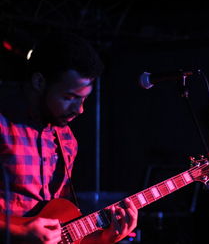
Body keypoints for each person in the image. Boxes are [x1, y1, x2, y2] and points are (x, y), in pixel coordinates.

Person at [0, 32, 138, 243]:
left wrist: (104, 237)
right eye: (69, 97)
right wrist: (16, 231)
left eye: (83, 99)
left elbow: (63, 231)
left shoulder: (66, 140)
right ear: (39, 82)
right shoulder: (4, 122)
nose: (80, 109)